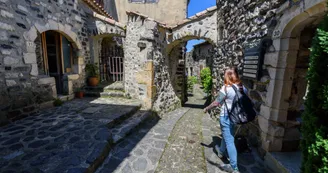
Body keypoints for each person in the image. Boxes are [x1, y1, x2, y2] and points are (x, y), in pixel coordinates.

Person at [203, 66, 247, 173]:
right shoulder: (243, 88)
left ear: (228, 76)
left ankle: (234, 167)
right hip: (236, 117)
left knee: (230, 141)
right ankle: (221, 152)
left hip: (226, 117)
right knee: (227, 134)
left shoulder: (226, 88)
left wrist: (207, 108)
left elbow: (216, 102)